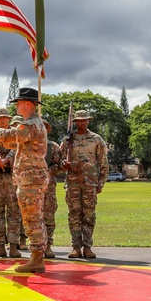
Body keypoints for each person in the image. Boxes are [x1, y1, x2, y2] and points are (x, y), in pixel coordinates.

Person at [0, 88, 50, 273]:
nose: (16, 106)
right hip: (31, 178)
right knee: (33, 218)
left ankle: (37, 259)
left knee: (32, 219)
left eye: (19, 102)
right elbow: (10, 143)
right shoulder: (32, 124)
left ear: (28, 103)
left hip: (31, 179)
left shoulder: (30, 124)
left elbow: (10, 136)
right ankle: (37, 256)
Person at [62, 109, 109, 258]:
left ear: (88, 121)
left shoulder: (96, 139)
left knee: (89, 215)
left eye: (84, 120)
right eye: (79, 121)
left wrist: (101, 183)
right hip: (73, 183)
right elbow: (59, 160)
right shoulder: (68, 140)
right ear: (75, 122)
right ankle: (76, 247)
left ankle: (87, 247)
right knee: (74, 215)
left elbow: (103, 163)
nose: (82, 123)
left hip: (90, 183)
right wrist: (64, 165)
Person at [0, 108, 21, 258]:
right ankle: (0, 246)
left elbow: (17, 148)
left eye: (4, 118)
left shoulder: (15, 133)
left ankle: (13, 246)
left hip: (12, 179)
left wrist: (6, 159)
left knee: (14, 213)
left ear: (9, 119)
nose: (2, 120)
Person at [43, 119, 62, 258]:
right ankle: (36, 248)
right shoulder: (27, 145)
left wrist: (47, 173)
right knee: (32, 219)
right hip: (31, 188)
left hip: (48, 187)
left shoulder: (53, 147)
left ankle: (48, 246)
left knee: (49, 216)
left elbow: (57, 165)